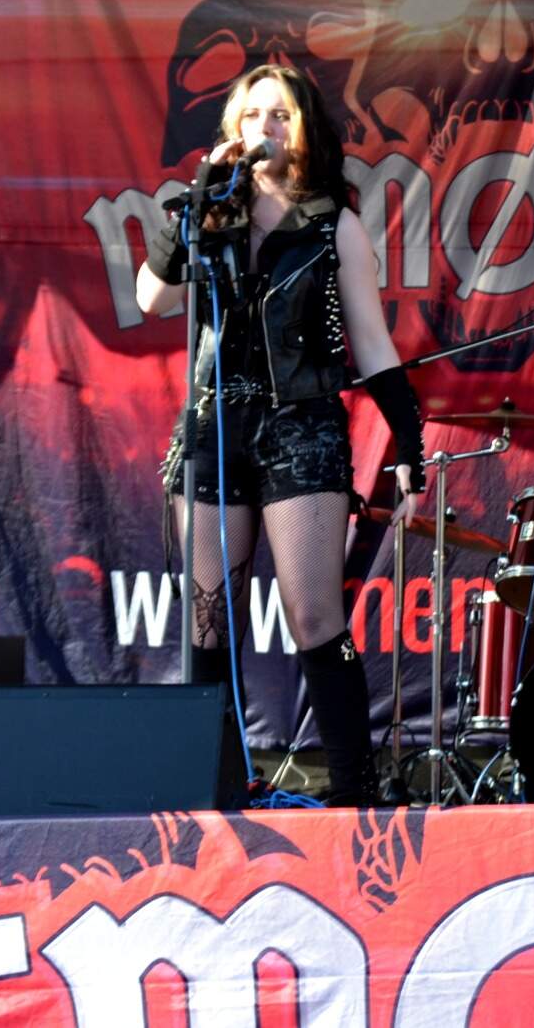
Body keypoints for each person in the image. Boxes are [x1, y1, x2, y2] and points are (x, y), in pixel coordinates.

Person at [135, 63, 424, 807]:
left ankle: (355, 795)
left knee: (314, 615)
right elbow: (150, 295)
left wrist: (408, 441)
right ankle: (217, 792)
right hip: (214, 427)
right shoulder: (208, 216)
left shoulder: (333, 224)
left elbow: (372, 342)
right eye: (250, 114)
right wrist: (200, 200)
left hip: (301, 427)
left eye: (279, 115)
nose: (262, 127)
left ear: (302, 132)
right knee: (207, 622)